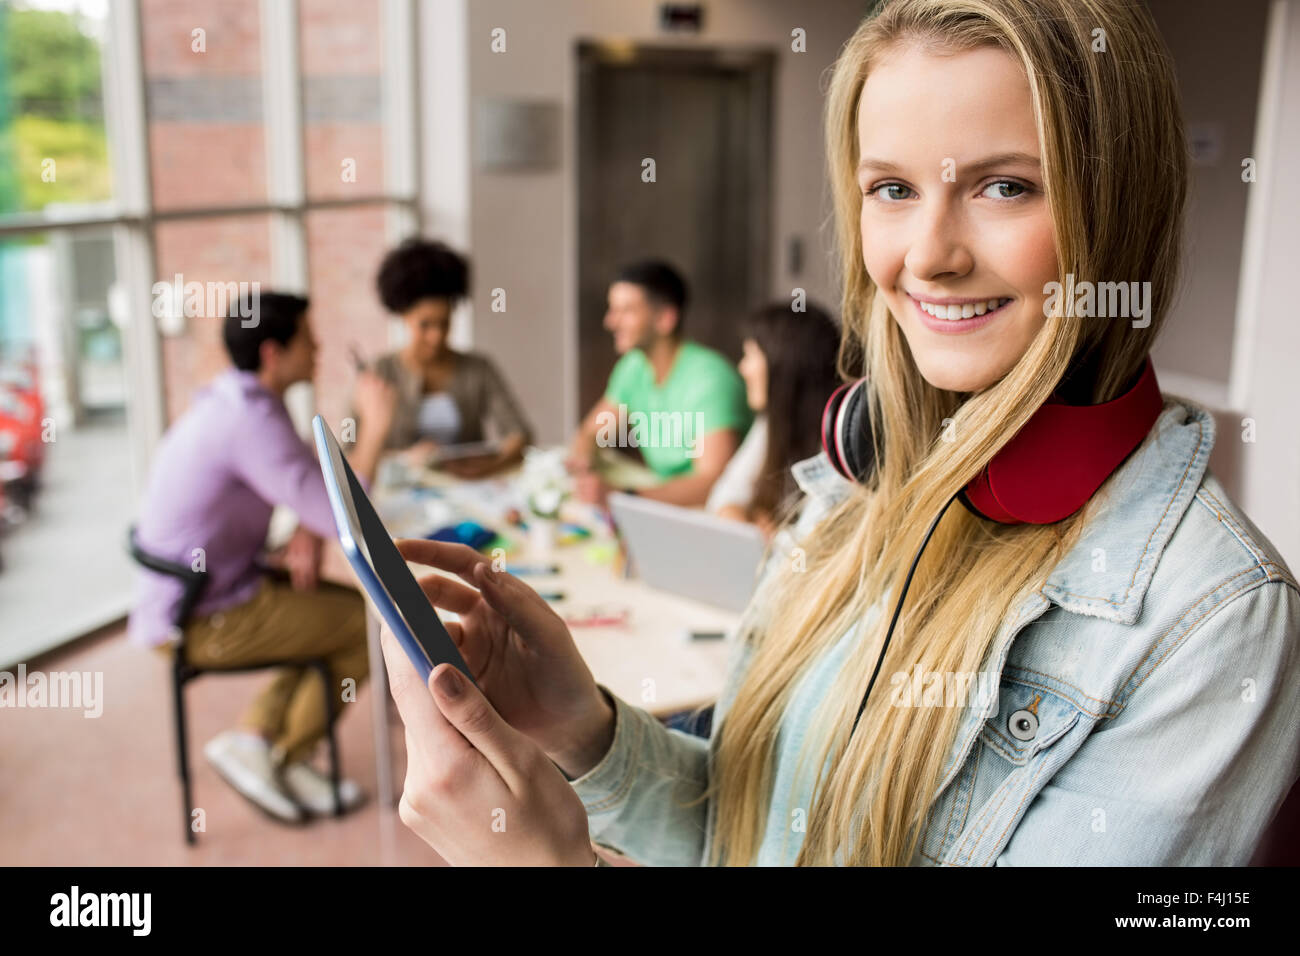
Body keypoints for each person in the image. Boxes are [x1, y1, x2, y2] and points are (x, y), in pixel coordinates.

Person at [364, 0, 1300, 867]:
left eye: (1005, 186)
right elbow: (744, 828)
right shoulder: (849, 489)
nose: (927, 254)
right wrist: (589, 736)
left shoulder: (1214, 623)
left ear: (1122, 214)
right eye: (891, 189)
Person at [127, 291, 397, 824]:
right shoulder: (251, 422)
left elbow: (306, 487)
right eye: (307, 338)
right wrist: (377, 426)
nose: (318, 346)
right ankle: (284, 757)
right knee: (369, 628)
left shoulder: (236, 401)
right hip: (199, 618)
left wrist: (306, 525)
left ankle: (259, 742)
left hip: (213, 586)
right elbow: (348, 513)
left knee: (330, 618)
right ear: (274, 352)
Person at [568, 260, 752, 508]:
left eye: (627, 311)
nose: (610, 322)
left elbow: (711, 482)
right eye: (612, 309)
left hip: (709, 514)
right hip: (661, 507)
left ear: (665, 318)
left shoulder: (711, 379)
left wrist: (623, 498)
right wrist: (584, 462)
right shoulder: (633, 367)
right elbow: (591, 432)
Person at [351, 237, 533, 480]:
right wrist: (406, 458)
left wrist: (490, 467)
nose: (436, 336)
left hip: (469, 492)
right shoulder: (379, 373)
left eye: (444, 324)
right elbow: (350, 454)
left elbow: (520, 433)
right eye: (425, 325)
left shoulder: (478, 369)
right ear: (403, 316)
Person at [705, 301, 842, 537]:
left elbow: (812, 544)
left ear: (783, 365)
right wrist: (747, 525)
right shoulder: (769, 424)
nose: (742, 368)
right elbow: (722, 498)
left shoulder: (838, 446)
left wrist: (770, 534)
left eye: (749, 356)